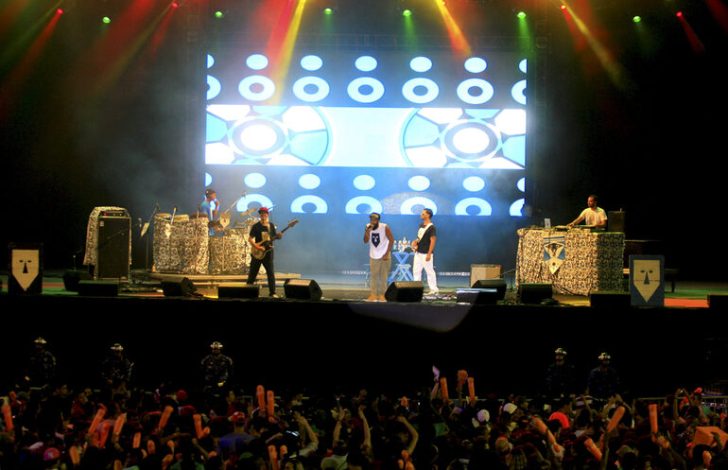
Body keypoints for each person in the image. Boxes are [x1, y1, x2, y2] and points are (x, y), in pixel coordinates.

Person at [247, 207, 282, 298]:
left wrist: (279, 236)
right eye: (261, 213)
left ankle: (272, 293)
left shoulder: (271, 225)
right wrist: (257, 247)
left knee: (270, 273)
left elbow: (273, 237)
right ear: (260, 215)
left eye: (264, 213)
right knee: (252, 274)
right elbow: (250, 239)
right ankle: (247, 292)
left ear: (267, 214)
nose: (263, 215)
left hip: (268, 253)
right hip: (257, 253)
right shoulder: (256, 226)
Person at [363, 212, 394, 302]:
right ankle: (373, 295)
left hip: (384, 254)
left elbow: (391, 240)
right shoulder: (368, 226)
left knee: (384, 276)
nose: (372, 221)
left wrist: (386, 253)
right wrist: (367, 231)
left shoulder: (384, 227)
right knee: (374, 276)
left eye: (374, 220)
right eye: (371, 219)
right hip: (373, 255)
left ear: (378, 220)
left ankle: (383, 295)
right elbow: (365, 241)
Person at [411, 208, 438, 295]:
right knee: (416, 271)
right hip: (418, 252)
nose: (421, 215)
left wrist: (429, 253)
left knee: (429, 271)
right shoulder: (421, 225)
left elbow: (433, 241)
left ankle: (434, 289)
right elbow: (419, 238)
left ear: (428, 215)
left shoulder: (432, 227)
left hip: (426, 253)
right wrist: (415, 242)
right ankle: (416, 289)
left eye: (423, 214)